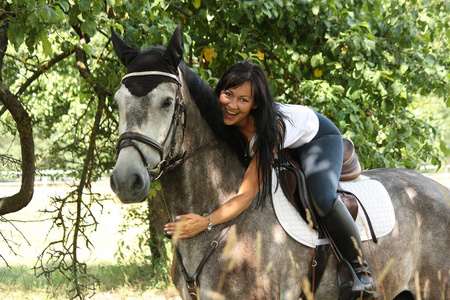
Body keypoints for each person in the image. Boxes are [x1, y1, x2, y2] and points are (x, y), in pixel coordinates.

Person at [164, 61, 377, 300]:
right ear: (220, 90)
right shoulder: (219, 112)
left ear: (255, 104)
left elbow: (246, 194)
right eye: (228, 94)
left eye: (243, 100)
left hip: (319, 137)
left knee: (323, 197)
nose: (231, 105)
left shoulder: (270, 132)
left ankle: (362, 272)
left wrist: (206, 221)